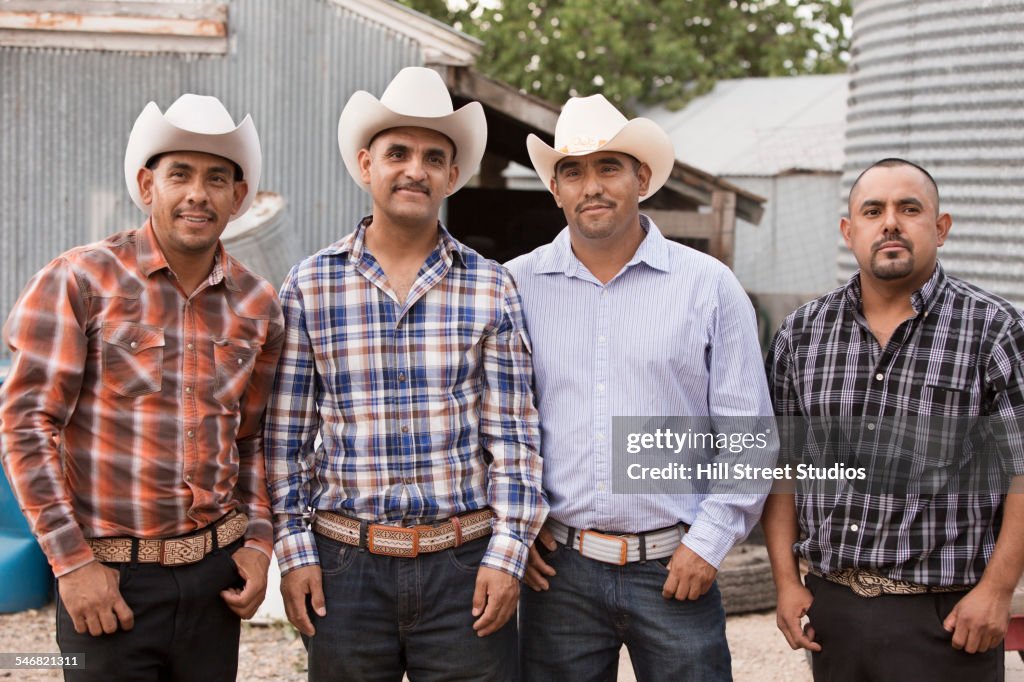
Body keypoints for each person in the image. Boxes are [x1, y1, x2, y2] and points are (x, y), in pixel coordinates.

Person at [264, 66, 547, 681]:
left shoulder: (490, 285)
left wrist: (508, 553)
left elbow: (516, 441)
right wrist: (294, 553)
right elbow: (283, 443)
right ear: (367, 165)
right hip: (345, 568)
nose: (414, 169)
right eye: (398, 153)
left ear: (452, 175)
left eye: (432, 156)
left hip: (464, 565)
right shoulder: (310, 285)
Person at [0, 94, 284, 681]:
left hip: (214, 580)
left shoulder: (258, 305)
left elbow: (253, 441)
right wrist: (72, 564)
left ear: (238, 197)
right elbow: (27, 425)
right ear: (147, 184)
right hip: (109, 582)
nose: (197, 194)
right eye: (179, 174)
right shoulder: (79, 279)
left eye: (216, 178)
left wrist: (258, 543)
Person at [506, 94, 773, 681]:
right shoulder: (515, 286)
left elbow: (749, 434)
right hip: (558, 574)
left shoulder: (708, 286)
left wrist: (709, 542)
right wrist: (517, 530)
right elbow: (493, 422)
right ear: (555, 190)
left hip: (675, 564)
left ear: (642, 178)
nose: (591, 186)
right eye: (572, 171)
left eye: (609, 167)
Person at [763, 158, 1024, 681]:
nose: (890, 223)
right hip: (834, 612)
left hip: (949, 617)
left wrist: (996, 591)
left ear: (940, 227)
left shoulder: (993, 331)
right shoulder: (802, 335)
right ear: (849, 230)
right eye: (873, 210)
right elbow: (783, 468)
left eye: (909, 209)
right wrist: (787, 581)